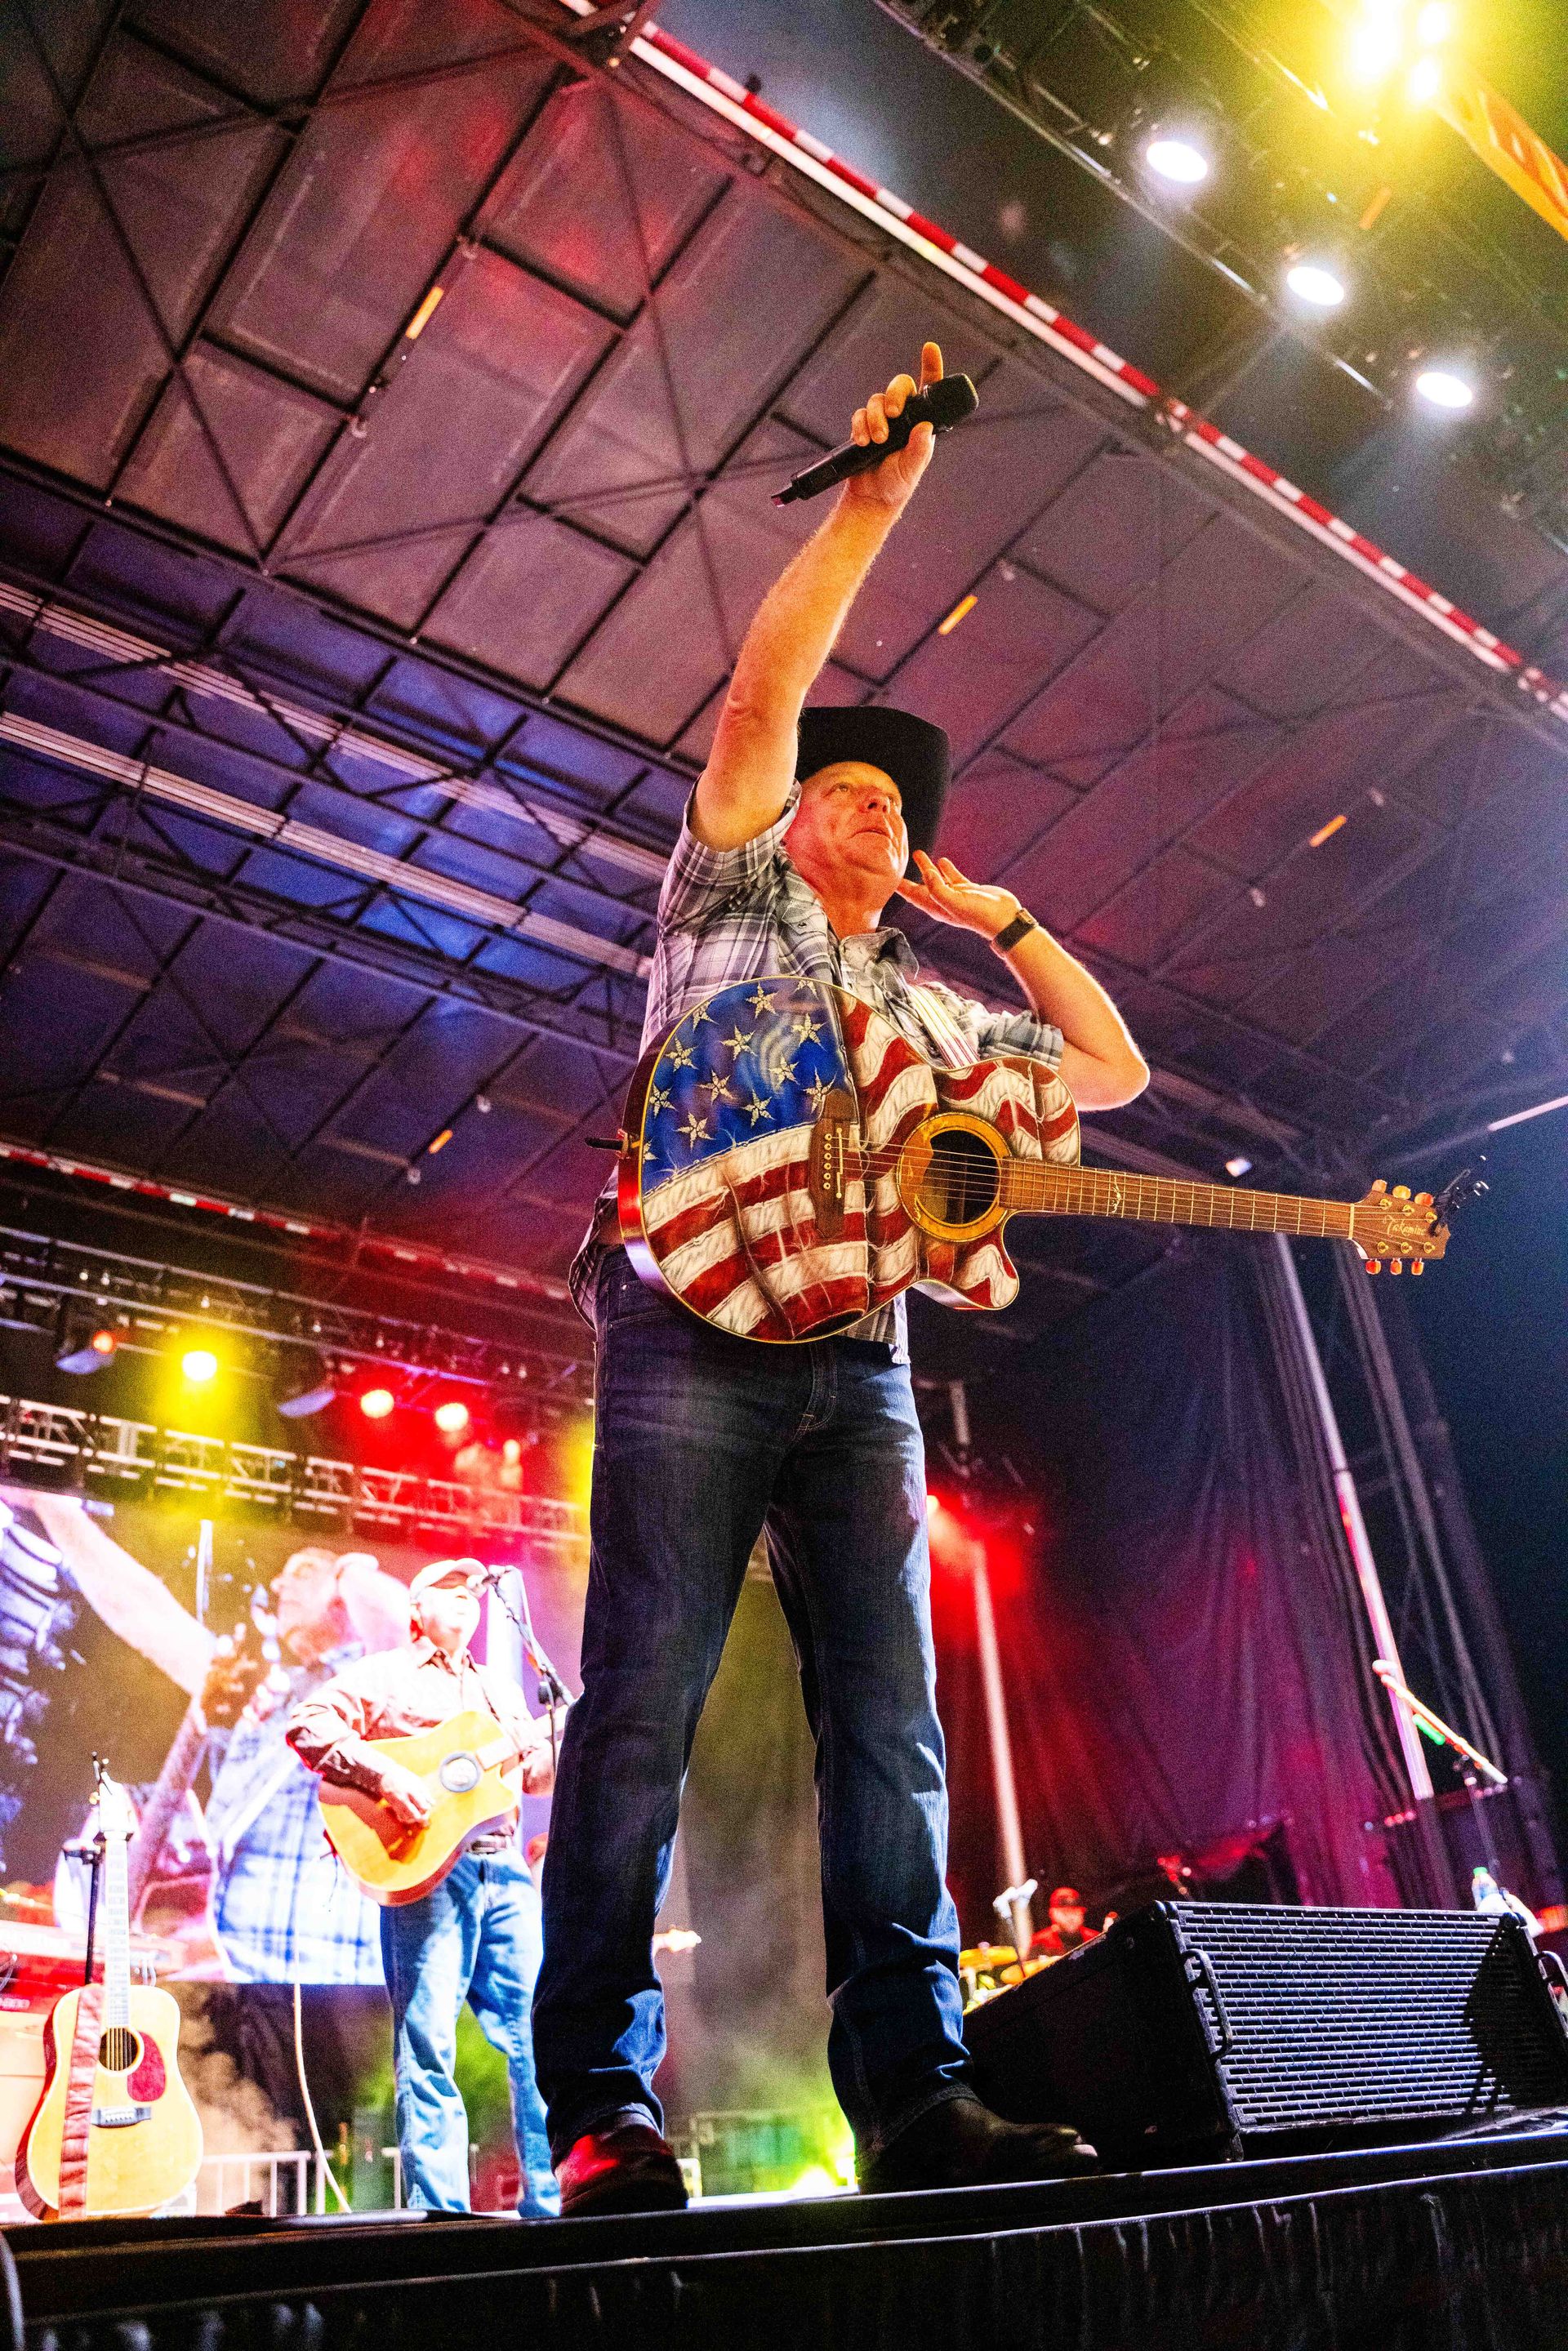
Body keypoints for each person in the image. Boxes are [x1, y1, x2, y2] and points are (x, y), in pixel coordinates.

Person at [532, 341, 1149, 2215]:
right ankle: (599, 2108)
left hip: (859, 1364)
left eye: (898, 803)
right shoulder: (727, 894)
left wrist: (1010, 917)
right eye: (845, 790)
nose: (870, 807)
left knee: (890, 1730)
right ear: (795, 814)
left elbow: (1113, 1074)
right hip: (688, 1340)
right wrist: (875, 512)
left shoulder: (930, 1000)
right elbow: (760, 692)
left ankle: (916, 2096)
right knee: (636, 1702)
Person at [9, 1494, 404, 1983]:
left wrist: (349, 1570)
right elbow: (142, 1611)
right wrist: (57, 1509)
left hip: (331, 1988)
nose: (280, 1585)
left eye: (301, 1573)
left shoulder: (377, 1687)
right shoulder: (263, 1691)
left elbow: (400, 1625)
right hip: (224, 1981)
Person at [287, 1556, 560, 2218]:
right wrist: (386, 1777)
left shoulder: (500, 1686)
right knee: (428, 2042)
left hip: (506, 1872)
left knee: (539, 2037)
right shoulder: (385, 1673)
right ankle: (440, 2215)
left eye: (472, 1593)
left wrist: (551, 1744)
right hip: (429, 1874)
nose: (466, 1600)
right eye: (448, 1590)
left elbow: (533, 1779)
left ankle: (550, 2203)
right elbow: (308, 1724)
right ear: (416, 1607)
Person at [1030, 1887, 1098, 1961]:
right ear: (1052, 1913)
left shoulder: (1095, 1939)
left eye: (1075, 1912)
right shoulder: (1039, 1944)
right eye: (1065, 1913)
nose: (1071, 1917)